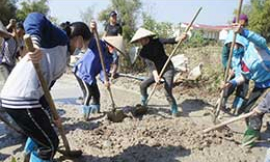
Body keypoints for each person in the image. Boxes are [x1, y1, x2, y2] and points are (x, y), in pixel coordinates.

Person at [0, 12, 91, 162]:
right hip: (21, 98)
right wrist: (34, 43)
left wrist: (53, 115)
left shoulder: (63, 59)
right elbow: (34, 17)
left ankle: (28, 155)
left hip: (22, 98)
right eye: (85, 46)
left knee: (42, 130)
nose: (83, 50)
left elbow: (44, 93)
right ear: (79, 40)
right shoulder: (60, 38)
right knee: (50, 144)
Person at [221, 24, 270, 148]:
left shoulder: (255, 47)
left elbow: (262, 41)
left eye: (236, 45)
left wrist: (244, 32)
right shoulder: (239, 60)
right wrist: (229, 83)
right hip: (261, 84)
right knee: (247, 110)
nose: (234, 48)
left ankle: (247, 144)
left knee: (258, 111)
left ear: (242, 42)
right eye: (230, 46)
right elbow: (243, 77)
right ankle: (254, 133)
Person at [130, 28, 187, 117]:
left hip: (168, 68)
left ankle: (174, 108)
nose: (140, 42)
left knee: (167, 89)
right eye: (138, 41)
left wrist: (180, 38)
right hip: (156, 71)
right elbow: (151, 65)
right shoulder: (143, 52)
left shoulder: (158, 41)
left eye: (140, 40)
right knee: (143, 85)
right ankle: (144, 100)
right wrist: (156, 76)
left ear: (145, 38)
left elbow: (171, 40)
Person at [73, 21, 113, 120]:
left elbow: (104, 71)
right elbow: (89, 39)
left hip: (90, 75)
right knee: (88, 93)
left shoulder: (109, 58)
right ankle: (85, 115)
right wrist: (92, 29)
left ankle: (96, 110)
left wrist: (105, 80)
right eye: (111, 46)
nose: (112, 49)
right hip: (82, 71)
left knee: (96, 94)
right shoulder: (99, 44)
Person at [221, 14, 249, 114]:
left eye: (242, 26)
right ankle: (221, 104)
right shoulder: (230, 38)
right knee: (228, 86)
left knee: (243, 88)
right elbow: (224, 57)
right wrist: (228, 68)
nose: (240, 27)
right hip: (231, 67)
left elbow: (250, 55)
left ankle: (236, 107)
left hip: (244, 68)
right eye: (237, 25)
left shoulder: (247, 38)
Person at [0, 19, 18, 90]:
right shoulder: (9, 37)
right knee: (8, 85)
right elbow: (2, 32)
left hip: (11, 65)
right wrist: (11, 25)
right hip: (4, 64)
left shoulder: (18, 42)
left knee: (13, 85)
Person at [104, 11, 122, 79]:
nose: (114, 17)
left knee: (115, 58)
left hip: (115, 45)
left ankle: (113, 75)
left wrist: (119, 48)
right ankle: (106, 74)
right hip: (107, 45)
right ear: (110, 18)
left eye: (115, 16)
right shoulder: (107, 26)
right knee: (107, 59)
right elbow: (105, 35)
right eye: (113, 16)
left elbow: (119, 37)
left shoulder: (118, 27)